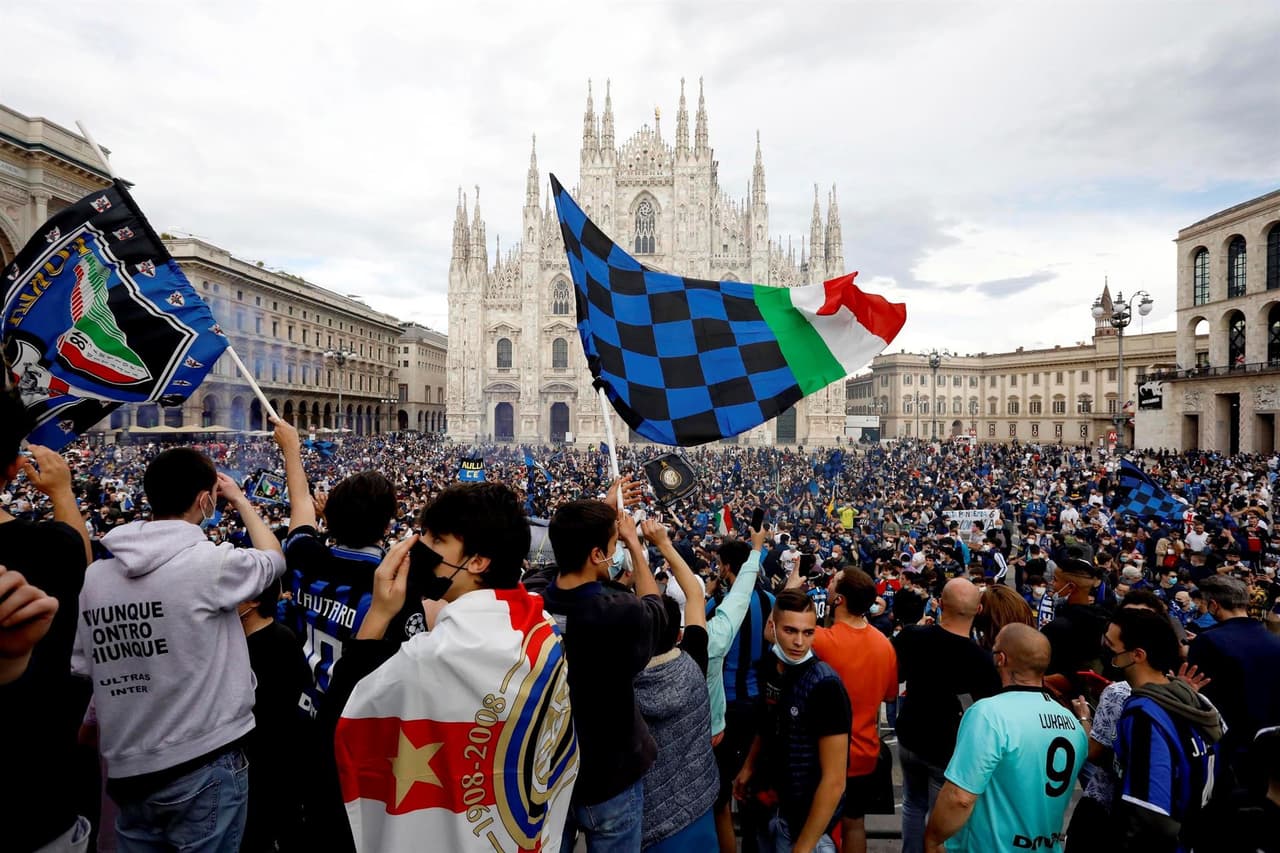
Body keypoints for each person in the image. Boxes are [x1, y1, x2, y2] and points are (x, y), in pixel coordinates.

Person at [331, 482, 578, 853]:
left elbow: (343, 719)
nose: (419, 546)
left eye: (436, 539)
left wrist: (380, 612)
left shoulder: (432, 658)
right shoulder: (540, 627)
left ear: (477, 561)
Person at [71, 447, 286, 853]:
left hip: (128, 770)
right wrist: (240, 500)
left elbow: (87, 666)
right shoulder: (212, 565)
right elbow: (274, 559)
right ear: (206, 500)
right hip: (204, 760)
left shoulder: (95, 578)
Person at [543, 479, 671, 853]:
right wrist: (635, 545)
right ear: (597, 554)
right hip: (609, 775)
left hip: (549, 774)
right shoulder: (618, 613)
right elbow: (655, 607)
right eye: (613, 547)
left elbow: (562, 559)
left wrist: (600, 510)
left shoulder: (534, 599)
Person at [0, 389, 94, 853]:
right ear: (13, 468)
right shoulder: (48, 549)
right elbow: (79, 561)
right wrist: (61, 492)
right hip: (35, 805)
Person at [923, 624, 1087, 852]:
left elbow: (960, 797)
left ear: (1001, 659)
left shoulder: (989, 714)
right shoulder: (1071, 722)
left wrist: (933, 839)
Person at [733, 589, 850, 853]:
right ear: (772, 628)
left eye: (808, 633)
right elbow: (767, 724)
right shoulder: (769, 667)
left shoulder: (825, 686)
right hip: (768, 806)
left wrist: (804, 847)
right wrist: (749, 766)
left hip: (804, 823)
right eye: (790, 631)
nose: (799, 641)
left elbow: (834, 781)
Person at [893, 578, 1001, 853]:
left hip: (910, 735)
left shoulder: (912, 637)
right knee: (939, 818)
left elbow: (896, 674)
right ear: (978, 610)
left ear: (940, 604)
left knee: (912, 804)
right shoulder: (981, 659)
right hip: (946, 747)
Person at [633, 518, 718, 852]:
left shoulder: (620, 682)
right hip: (697, 811)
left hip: (645, 821)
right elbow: (695, 594)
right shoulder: (693, 662)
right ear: (679, 635)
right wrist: (662, 543)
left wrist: (633, 546)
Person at [1108, 607, 1223, 851]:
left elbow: (1150, 812)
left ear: (1137, 654)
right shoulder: (1192, 701)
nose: (1107, 653)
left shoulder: (1144, 715)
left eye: (1110, 646)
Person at [809, 567, 897, 853]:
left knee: (814, 824)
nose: (829, 583)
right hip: (865, 751)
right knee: (855, 822)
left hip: (822, 753)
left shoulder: (822, 640)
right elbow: (889, 695)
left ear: (840, 599)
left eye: (834, 582)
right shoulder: (884, 645)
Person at [706, 523, 772, 853]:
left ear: (727, 567)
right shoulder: (770, 600)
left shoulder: (718, 605)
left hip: (725, 707)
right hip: (758, 702)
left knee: (719, 790)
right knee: (751, 782)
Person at [1187, 574, 1280, 797]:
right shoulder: (1274, 640)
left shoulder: (1207, 642)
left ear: (1213, 605)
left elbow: (1200, 697)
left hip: (1228, 750)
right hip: (1270, 747)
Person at [237, 577, 311, 853]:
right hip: (249, 766)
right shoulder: (236, 642)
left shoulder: (281, 641)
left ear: (254, 601)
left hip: (272, 766)